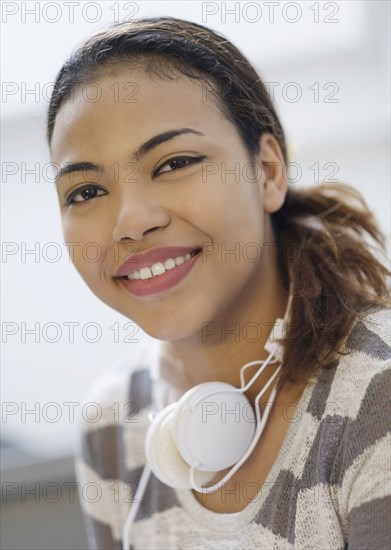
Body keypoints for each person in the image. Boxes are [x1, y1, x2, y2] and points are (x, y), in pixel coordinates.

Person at [47, 17, 391, 550]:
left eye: (175, 162)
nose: (130, 222)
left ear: (269, 171)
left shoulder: (377, 393)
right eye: (86, 191)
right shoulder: (112, 422)